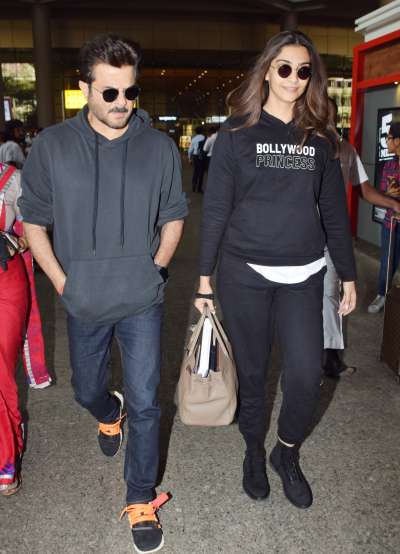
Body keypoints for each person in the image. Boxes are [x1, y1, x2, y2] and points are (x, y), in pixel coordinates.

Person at [20, 34, 187, 553]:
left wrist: (156, 270)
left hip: (142, 298)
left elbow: (174, 216)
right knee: (85, 389)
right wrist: (62, 281)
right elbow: (34, 222)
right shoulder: (51, 146)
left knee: (145, 402)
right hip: (83, 297)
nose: (122, 105)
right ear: (85, 88)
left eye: (130, 93)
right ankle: (104, 411)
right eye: (110, 93)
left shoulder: (158, 147)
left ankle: (140, 496)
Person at [195, 30, 356, 509]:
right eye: (284, 67)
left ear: (312, 77)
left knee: (307, 375)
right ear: (267, 70)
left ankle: (285, 452)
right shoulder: (237, 133)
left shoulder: (322, 138)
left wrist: (347, 274)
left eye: (303, 70)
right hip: (244, 274)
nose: (293, 78)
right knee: (252, 373)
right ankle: (251, 450)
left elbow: (333, 213)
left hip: (305, 275)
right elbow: (217, 210)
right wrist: (204, 278)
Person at [323, 101, 400, 377]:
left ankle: (329, 360)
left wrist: (392, 203)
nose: (327, 121)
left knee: (329, 296)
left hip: (331, 237)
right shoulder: (300, 145)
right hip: (297, 237)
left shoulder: (346, 150)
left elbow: (365, 190)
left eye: (331, 116)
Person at [0, 162, 29, 496]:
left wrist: (16, 242)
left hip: (6, 284)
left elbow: (37, 228)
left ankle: (6, 456)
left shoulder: (12, 179)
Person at [367, 122, 400, 314]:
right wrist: (388, 193)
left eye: (388, 137)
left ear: (397, 140)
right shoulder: (389, 164)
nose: (386, 141)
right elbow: (382, 194)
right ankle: (382, 294)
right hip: (391, 222)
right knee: (387, 261)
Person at [188, 126, 206, 193]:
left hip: (195, 156)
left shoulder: (194, 139)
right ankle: (199, 188)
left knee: (195, 171)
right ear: (202, 131)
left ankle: (194, 184)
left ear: (196, 132)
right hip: (202, 157)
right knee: (201, 173)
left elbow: (190, 150)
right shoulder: (204, 138)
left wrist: (189, 158)